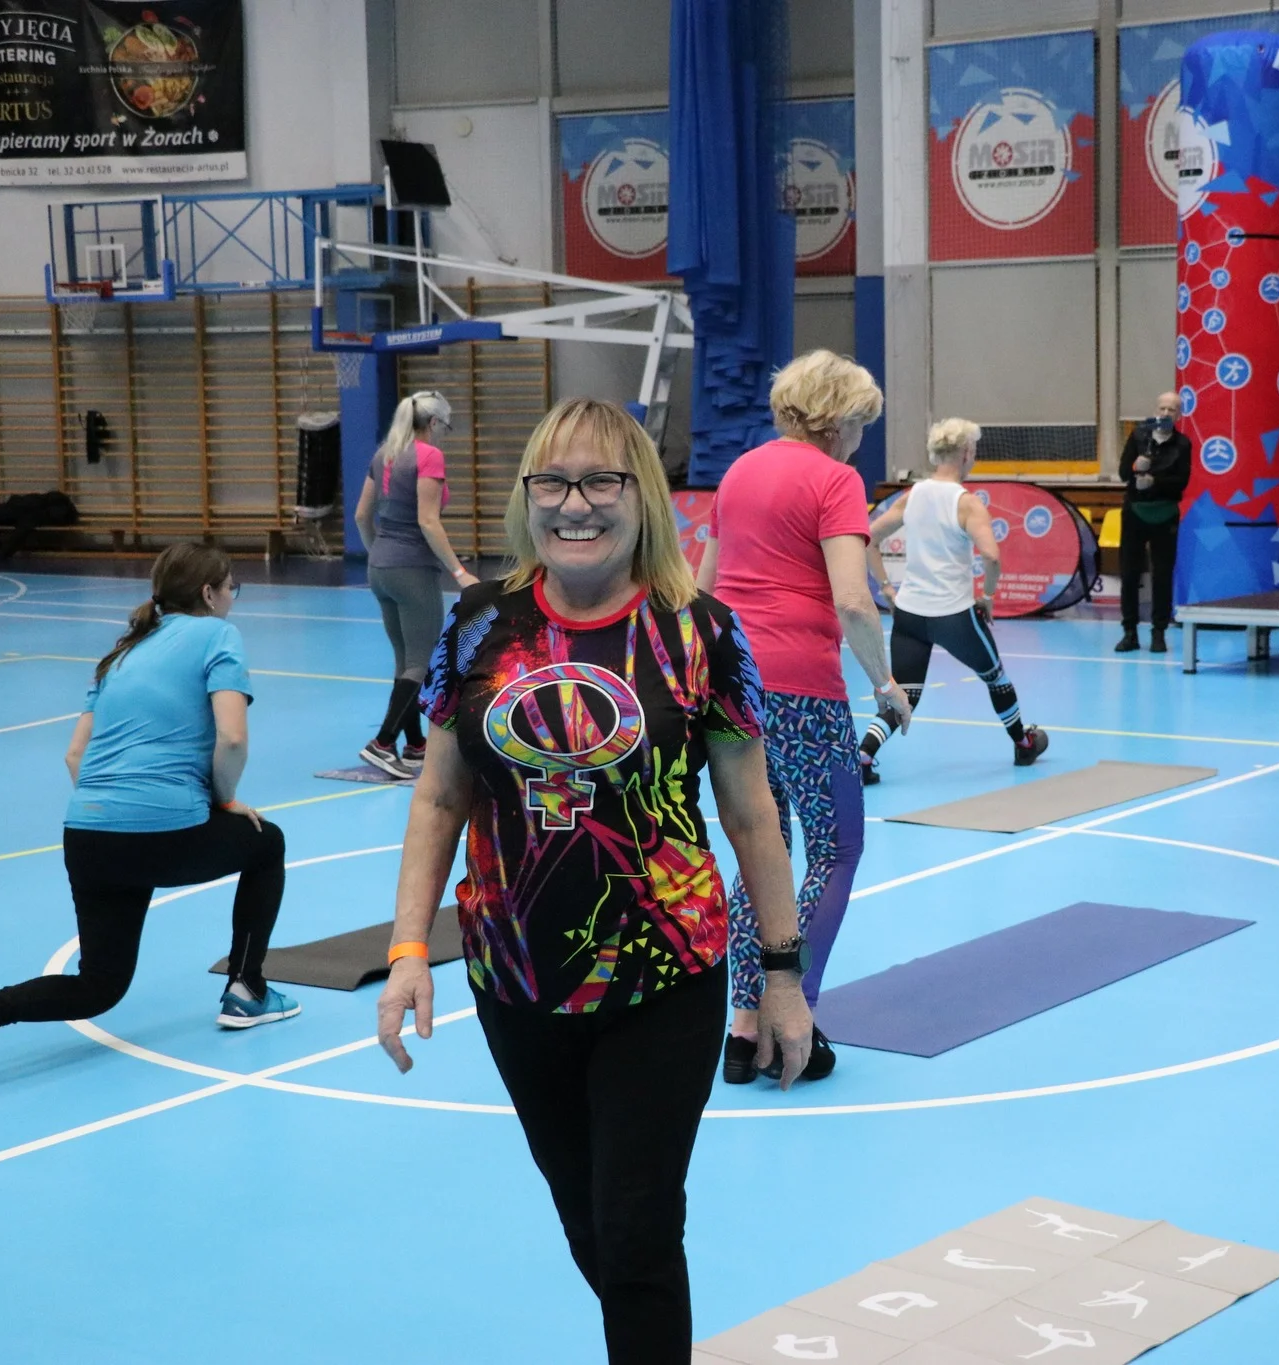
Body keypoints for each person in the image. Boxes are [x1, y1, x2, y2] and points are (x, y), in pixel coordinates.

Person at [374, 399, 814, 1364]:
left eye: (602, 481)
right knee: (589, 1224)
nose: (576, 504)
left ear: (641, 495)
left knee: (638, 1228)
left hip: (665, 977)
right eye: (554, 482)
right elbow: (439, 798)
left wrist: (782, 976)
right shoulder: (477, 626)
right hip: (515, 981)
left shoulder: (701, 633)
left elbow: (751, 815)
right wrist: (408, 948)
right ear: (527, 496)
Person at [0, 544, 294, 1083]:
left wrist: (115, 817)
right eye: (231, 588)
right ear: (208, 593)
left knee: (99, 984)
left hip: (87, 833)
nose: (232, 599)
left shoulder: (120, 654)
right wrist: (223, 802)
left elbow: (75, 756)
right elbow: (233, 739)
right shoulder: (217, 635)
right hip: (165, 829)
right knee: (266, 842)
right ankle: (248, 989)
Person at [693, 349, 912, 1085]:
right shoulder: (835, 479)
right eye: (861, 425)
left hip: (733, 683)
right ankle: (795, 1014)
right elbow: (852, 598)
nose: (860, 441)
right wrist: (885, 682)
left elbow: (703, 589)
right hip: (801, 689)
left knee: (765, 847)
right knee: (837, 848)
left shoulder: (739, 471)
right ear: (837, 419)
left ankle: (740, 1027)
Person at [860, 418, 1050, 781]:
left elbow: (869, 538)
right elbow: (991, 556)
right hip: (954, 615)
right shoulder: (967, 504)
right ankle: (1024, 744)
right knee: (995, 677)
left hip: (910, 614)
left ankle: (864, 755)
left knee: (906, 693)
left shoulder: (912, 495)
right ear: (966, 453)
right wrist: (988, 595)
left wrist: (886, 587)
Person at [353, 390, 479, 778]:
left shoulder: (384, 454)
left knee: (405, 660)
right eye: (444, 427)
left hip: (380, 568)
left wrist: (380, 555)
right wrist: (459, 572)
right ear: (434, 423)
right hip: (413, 570)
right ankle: (383, 742)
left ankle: (414, 746)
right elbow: (428, 520)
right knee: (422, 661)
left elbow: (361, 516)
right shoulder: (429, 456)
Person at [1116, 391, 1191, 653]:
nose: (1165, 413)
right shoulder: (1138, 436)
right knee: (1129, 573)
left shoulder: (1183, 444)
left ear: (1179, 415)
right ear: (1155, 410)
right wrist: (1135, 467)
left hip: (1165, 514)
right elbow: (1123, 473)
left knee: (1162, 574)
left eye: (1172, 409)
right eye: (1162, 408)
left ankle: (1158, 632)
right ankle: (1129, 632)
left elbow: (1182, 482)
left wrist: (1155, 482)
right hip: (1135, 512)